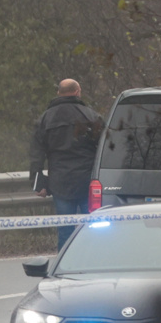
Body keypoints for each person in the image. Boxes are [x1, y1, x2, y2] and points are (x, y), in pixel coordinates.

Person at [30, 78, 104, 248]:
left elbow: (36, 154)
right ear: (78, 92)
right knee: (93, 229)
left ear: (58, 93)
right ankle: (94, 267)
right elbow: (104, 148)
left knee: (65, 232)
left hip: (60, 183)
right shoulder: (91, 116)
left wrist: (38, 182)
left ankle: (64, 270)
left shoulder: (45, 119)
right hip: (88, 181)